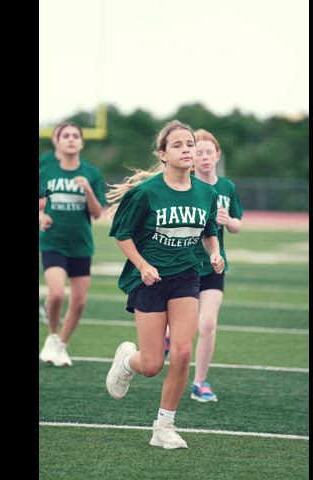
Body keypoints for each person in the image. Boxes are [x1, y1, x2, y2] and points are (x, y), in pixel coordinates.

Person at [104, 120, 224, 449]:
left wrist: (215, 253)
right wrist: (143, 265)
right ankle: (127, 360)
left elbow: (209, 230)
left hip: (186, 276)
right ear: (163, 154)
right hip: (150, 280)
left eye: (190, 144)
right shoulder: (145, 193)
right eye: (179, 145)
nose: (187, 149)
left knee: (183, 351)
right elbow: (122, 234)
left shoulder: (207, 192)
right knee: (153, 364)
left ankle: (164, 426)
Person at [38, 122, 106, 366]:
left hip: (81, 245)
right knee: (56, 294)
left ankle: (62, 345)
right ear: (56, 141)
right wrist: (41, 217)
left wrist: (88, 190)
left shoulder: (91, 173)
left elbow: (98, 214)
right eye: (65, 135)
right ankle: (52, 336)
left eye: (75, 135)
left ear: (81, 142)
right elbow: (40, 204)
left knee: (79, 302)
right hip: (53, 241)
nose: (70, 139)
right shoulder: (47, 172)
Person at [188, 129, 243, 402]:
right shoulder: (185, 185)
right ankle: (165, 337)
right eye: (199, 151)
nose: (205, 156)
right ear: (192, 156)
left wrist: (227, 221)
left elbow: (237, 224)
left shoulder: (227, 188)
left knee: (207, 324)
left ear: (217, 155)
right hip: (183, 264)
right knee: (177, 326)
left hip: (214, 265)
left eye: (209, 151)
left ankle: (200, 382)